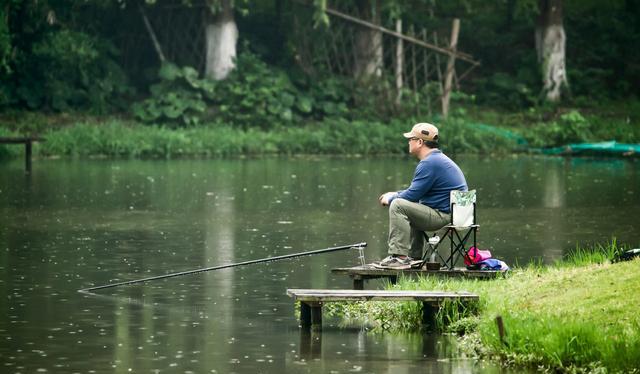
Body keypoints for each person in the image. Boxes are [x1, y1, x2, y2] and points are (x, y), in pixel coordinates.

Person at [375, 122, 468, 269]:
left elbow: (411, 195)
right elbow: (417, 192)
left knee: (398, 205)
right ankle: (413, 257)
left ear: (420, 142)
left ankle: (399, 257)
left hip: (444, 216)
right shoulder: (437, 160)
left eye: (411, 138)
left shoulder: (429, 163)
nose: (408, 141)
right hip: (455, 215)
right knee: (409, 205)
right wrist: (397, 193)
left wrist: (392, 197)